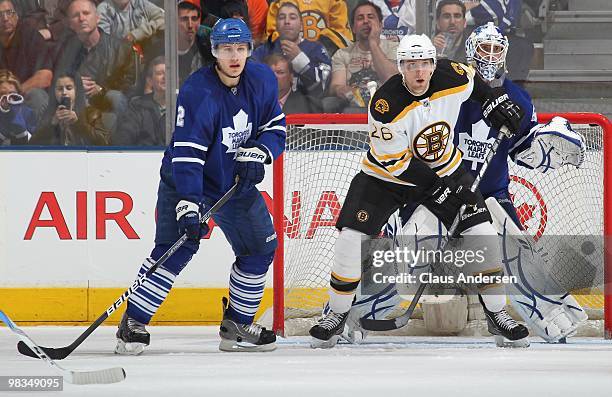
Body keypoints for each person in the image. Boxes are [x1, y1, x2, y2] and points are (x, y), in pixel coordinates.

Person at [347, 23, 588, 345]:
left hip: (488, 193)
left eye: (495, 49)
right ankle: (351, 315)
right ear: (470, 51)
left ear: (505, 53)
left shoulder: (517, 98)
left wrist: (543, 147)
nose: (489, 55)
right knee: (408, 251)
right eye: (483, 48)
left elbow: (521, 150)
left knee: (512, 249)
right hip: (435, 190)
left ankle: (525, 318)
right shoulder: (450, 87)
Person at [308, 33, 529, 348]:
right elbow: (398, 165)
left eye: (424, 63)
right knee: (350, 239)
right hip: (385, 178)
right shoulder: (385, 104)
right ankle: (337, 314)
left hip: (446, 169)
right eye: (411, 65)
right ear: (400, 66)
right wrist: (438, 190)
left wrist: (491, 99)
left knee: (483, 232)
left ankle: (497, 313)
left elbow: (474, 83)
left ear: (432, 63)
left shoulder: (450, 74)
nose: (419, 71)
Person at [114, 18, 286, 354]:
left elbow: (275, 127)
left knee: (261, 248)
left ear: (249, 49)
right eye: (226, 49)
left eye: (239, 48)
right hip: (187, 179)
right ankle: (132, 323)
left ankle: (238, 323)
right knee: (174, 249)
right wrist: (189, 203)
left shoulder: (263, 79)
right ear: (214, 52)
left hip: (235, 185)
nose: (234, 56)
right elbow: (188, 153)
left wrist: (260, 152)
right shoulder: (197, 91)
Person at [54, 0, 136, 116]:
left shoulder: (121, 49)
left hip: (108, 106)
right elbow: (56, 82)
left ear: (97, 18)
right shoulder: (65, 51)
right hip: (76, 106)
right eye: (76, 15)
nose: (81, 18)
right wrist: (73, 84)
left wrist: (101, 91)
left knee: (115, 97)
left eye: (86, 13)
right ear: (70, 24)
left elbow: (130, 90)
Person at [325, 0, 397, 113]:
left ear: (380, 25)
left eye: (370, 17)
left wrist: (373, 43)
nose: (365, 21)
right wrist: (340, 89)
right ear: (353, 28)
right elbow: (336, 85)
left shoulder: (394, 48)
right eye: (360, 18)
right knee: (329, 104)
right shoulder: (342, 54)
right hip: (354, 107)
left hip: (387, 104)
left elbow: (391, 78)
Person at [253, 1, 331, 98]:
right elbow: (251, 81)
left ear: (301, 25)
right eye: (282, 18)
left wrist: (300, 59)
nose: (287, 21)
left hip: (307, 107)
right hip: (269, 105)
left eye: (293, 17)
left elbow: (324, 83)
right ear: (276, 25)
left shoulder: (316, 49)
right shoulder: (263, 50)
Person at [0, 0, 51, 120]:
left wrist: (13, 94)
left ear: (17, 15)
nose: (5, 19)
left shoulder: (31, 36)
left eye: (9, 12)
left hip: (24, 97)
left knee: (37, 96)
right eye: (0, 15)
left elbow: (45, 77)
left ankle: (34, 138)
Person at [30, 73, 110, 145]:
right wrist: (52, 124)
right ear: (54, 92)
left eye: (69, 88)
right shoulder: (48, 113)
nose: (64, 92)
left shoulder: (91, 112)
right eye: (60, 89)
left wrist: (79, 123)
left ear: (76, 90)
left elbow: (104, 143)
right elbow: (31, 145)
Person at [112, 56, 166, 145]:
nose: (165, 77)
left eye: (168, 73)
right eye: (159, 73)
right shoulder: (137, 106)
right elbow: (124, 137)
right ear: (150, 81)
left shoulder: (184, 106)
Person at [265, 0, 353, 55]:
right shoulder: (280, 3)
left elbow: (342, 39)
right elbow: (273, 38)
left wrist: (321, 53)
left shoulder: (334, 2)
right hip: (287, 59)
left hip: (326, 59)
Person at [0, 68, 36, 145]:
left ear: (18, 95)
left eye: (11, 94)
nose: (7, 98)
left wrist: (22, 133)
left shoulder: (28, 113)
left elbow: (35, 146)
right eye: (2, 94)